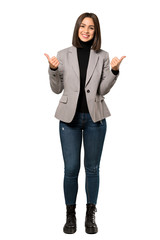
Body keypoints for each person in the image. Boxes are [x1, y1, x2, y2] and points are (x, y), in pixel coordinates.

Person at [44, 12, 126, 234]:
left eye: (91, 27)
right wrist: (53, 69)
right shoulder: (63, 54)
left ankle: (90, 215)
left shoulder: (103, 56)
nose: (86, 31)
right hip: (68, 120)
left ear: (96, 31)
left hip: (94, 119)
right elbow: (56, 89)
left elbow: (102, 89)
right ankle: (70, 215)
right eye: (83, 26)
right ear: (77, 28)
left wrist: (115, 71)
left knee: (92, 169)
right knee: (70, 169)